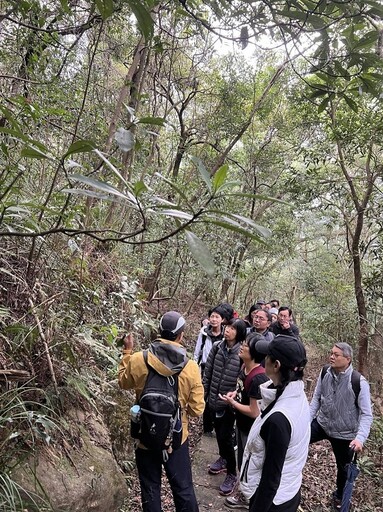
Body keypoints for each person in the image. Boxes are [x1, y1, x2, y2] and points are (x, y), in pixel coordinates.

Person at [118, 311, 204, 512]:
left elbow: (123, 382)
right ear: (180, 335)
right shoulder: (190, 367)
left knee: (150, 489)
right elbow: (197, 409)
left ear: (158, 332)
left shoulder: (139, 359)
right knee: (183, 489)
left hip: (145, 434)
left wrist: (127, 352)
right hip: (176, 437)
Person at [239, 335, 310, 512]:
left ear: (276, 365)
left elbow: (271, 479)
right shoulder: (298, 396)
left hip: (273, 502)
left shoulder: (279, 419)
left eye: (267, 356)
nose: (264, 360)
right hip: (289, 490)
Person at [309, 342, 373, 511]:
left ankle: (340, 498)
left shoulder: (359, 382)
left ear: (348, 359)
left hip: (344, 433)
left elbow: (366, 414)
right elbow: (316, 399)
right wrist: (306, 422)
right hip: (322, 423)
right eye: (331, 353)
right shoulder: (325, 372)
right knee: (295, 441)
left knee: (343, 470)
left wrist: (360, 439)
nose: (332, 356)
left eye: (336, 355)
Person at [220, 332, 269, 509]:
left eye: (246, 345)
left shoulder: (258, 377)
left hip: (252, 429)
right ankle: (245, 493)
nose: (242, 346)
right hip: (241, 425)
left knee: (250, 464)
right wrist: (235, 395)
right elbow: (243, 392)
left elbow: (254, 411)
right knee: (242, 460)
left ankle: (249, 498)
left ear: (255, 352)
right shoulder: (244, 368)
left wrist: (233, 403)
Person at [203, 318, 248, 496]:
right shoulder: (218, 348)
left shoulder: (242, 352)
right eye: (227, 327)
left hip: (229, 404)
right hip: (213, 399)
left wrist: (234, 398)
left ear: (239, 333)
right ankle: (223, 458)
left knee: (225, 437)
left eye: (232, 328)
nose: (227, 330)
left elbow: (241, 380)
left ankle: (231, 473)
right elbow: (208, 371)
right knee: (219, 434)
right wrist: (205, 393)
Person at [194, 305, 226, 433]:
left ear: (222, 319)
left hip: (219, 368)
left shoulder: (226, 334)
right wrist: (195, 367)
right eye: (212, 316)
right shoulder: (203, 333)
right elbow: (197, 352)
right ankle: (207, 426)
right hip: (205, 366)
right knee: (205, 394)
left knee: (217, 394)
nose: (214, 319)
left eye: (217, 317)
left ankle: (216, 422)